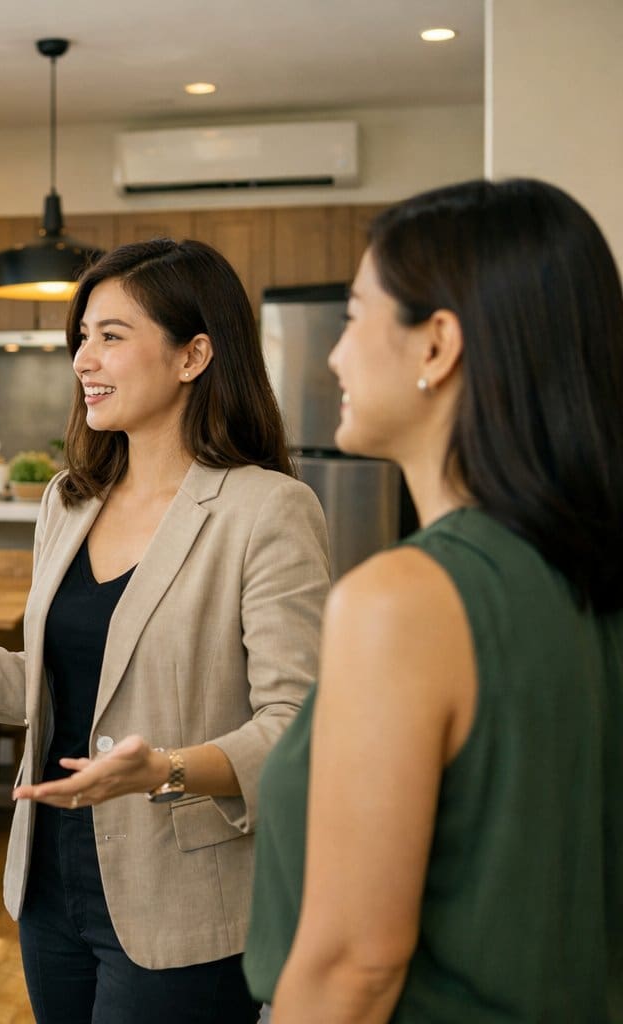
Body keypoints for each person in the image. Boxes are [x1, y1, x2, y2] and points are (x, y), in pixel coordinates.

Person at [0, 239, 331, 1021]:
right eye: (82, 338)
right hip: (48, 881)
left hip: (180, 897)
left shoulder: (265, 510)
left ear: (193, 354)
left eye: (111, 336)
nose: (83, 360)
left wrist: (164, 768)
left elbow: (298, 729)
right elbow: (71, 686)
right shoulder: (69, 499)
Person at [245, 178, 623, 1020]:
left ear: (436, 345)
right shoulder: (585, 574)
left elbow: (354, 967)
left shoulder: (403, 600)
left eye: (353, 314)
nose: (335, 355)